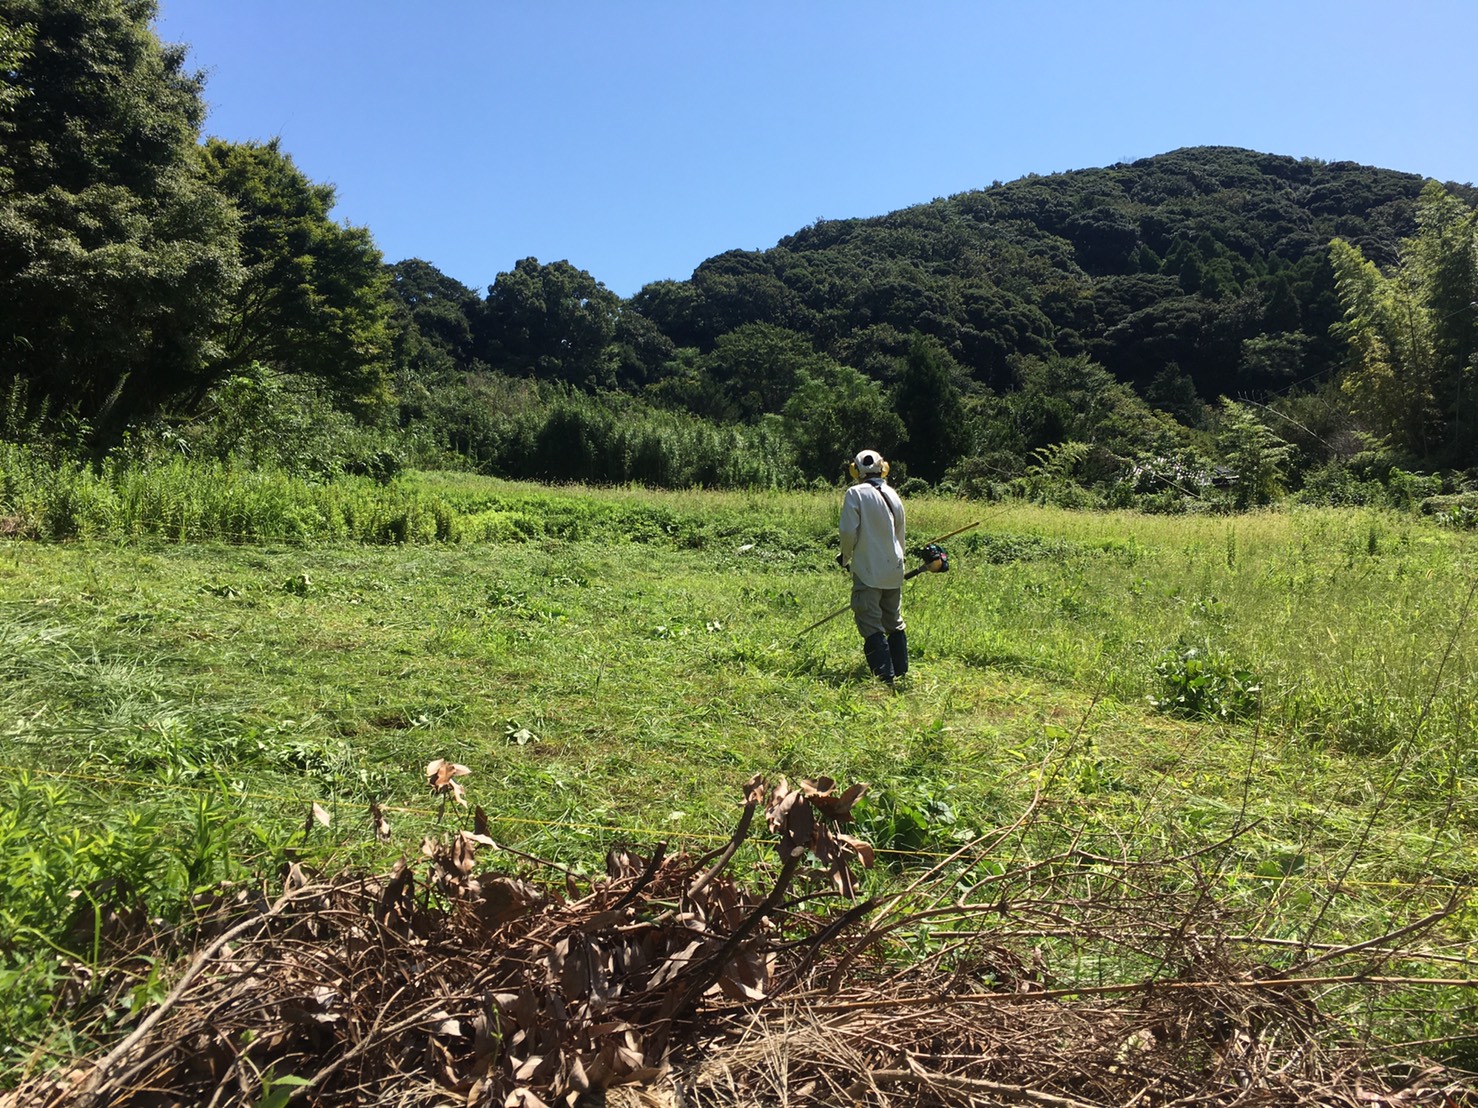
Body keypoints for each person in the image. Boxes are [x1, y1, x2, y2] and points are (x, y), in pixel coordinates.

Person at [837, 448, 907, 684]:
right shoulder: (893, 494)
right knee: (894, 621)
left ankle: (884, 678)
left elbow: (848, 531)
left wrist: (845, 557)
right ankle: (901, 672)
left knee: (870, 622)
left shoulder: (854, 493)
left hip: (868, 570)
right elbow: (900, 535)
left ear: (855, 470)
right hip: (894, 568)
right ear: (883, 467)